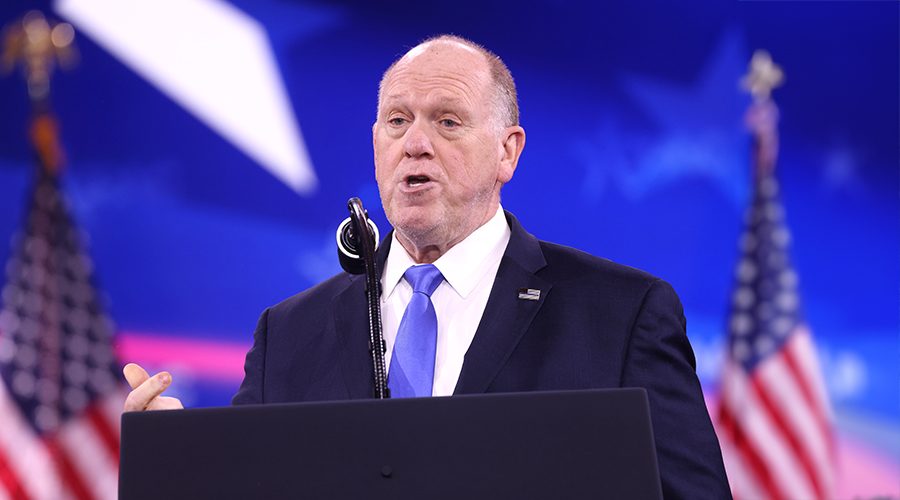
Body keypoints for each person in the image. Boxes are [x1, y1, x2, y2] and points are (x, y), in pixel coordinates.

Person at [124, 34, 731, 498]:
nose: (415, 143)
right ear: (376, 144)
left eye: (447, 121)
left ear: (507, 152)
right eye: (398, 121)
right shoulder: (287, 334)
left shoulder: (621, 316)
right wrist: (181, 461)